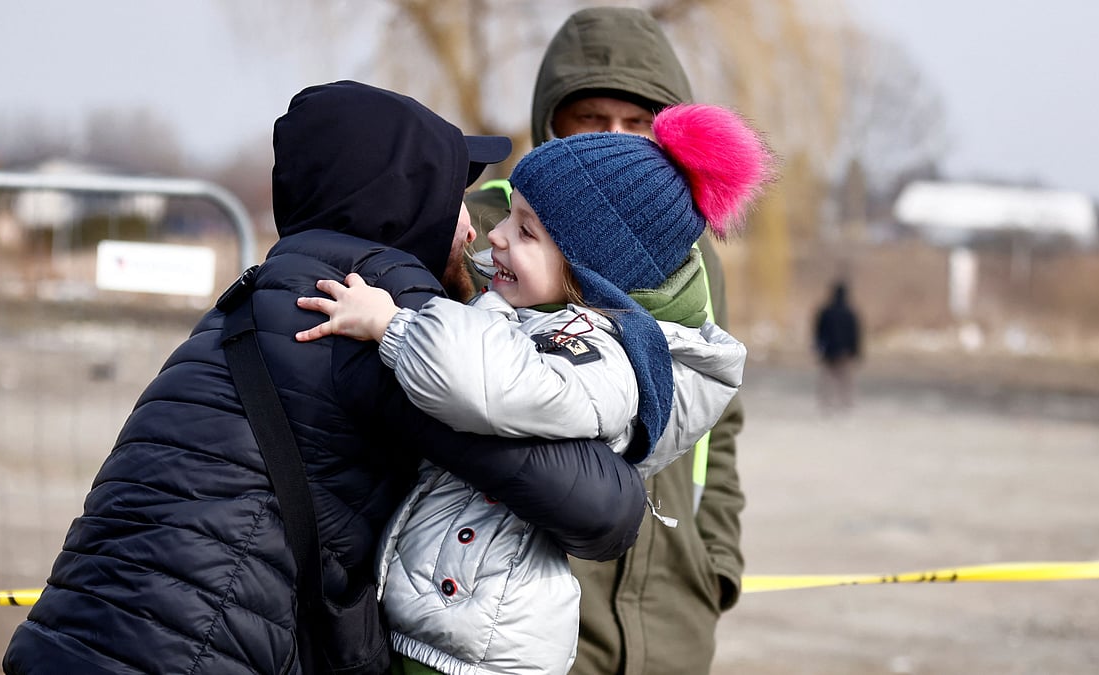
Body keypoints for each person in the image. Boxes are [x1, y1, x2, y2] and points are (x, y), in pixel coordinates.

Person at [1, 81, 649, 675]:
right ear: (405, 204)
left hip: (68, 640)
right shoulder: (374, 322)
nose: (474, 228)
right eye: (453, 198)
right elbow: (603, 509)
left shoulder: (254, 302)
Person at [296, 102, 770, 675]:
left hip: (480, 643)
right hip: (454, 617)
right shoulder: (557, 329)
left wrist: (391, 324)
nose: (495, 234)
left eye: (525, 230)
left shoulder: (602, 357)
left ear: (587, 269)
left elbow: (483, 383)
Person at [462, 7, 752, 673]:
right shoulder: (488, 230)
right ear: (552, 124)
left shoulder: (693, 258)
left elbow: (721, 426)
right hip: (536, 619)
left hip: (674, 619)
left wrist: (717, 563)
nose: (619, 138)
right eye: (592, 119)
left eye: (640, 121)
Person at [814, 280, 862, 411]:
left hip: (828, 352)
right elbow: (855, 335)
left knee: (828, 381)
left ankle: (827, 405)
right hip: (845, 353)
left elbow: (819, 333)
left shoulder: (825, 312)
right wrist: (856, 352)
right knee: (845, 381)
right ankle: (845, 405)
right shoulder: (850, 313)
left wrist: (818, 349)